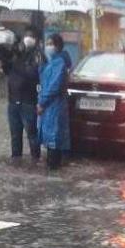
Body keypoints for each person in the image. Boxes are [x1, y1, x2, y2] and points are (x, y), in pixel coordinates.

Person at [0, 27, 42, 160]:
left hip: (28, 101)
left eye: (30, 36)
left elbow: (33, 74)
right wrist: (5, 60)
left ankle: (35, 159)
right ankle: (16, 160)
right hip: (13, 101)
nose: (27, 39)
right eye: (26, 35)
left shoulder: (38, 55)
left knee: (32, 134)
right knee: (15, 135)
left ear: (36, 40)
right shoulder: (17, 53)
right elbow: (9, 71)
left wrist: (17, 64)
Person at [37, 33, 70, 171]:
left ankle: (53, 167)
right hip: (49, 107)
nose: (48, 47)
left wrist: (42, 103)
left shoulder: (59, 63)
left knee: (53, 140)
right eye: (47, 44)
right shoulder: (50, 62)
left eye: (51, 44)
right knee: (50, 139)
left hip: (53, 106)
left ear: (57, 46)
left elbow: (53, 86)